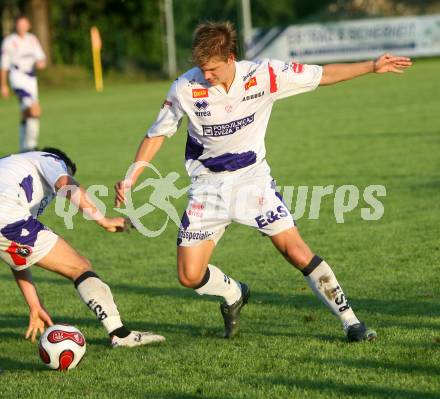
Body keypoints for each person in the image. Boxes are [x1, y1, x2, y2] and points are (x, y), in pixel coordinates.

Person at [115, 22, 412, 342]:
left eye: (213, 68)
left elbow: (322, 74)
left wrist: (371, 66)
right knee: (189, 276)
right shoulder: (185, 88)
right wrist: (132, 176)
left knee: (295, 250)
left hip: (252, 182)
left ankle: (351, 322)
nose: (207, 75)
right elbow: (157, 133)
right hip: (207, 187)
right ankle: (234, 293)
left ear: (231, 58)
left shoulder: (265, 75)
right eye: (201, 68)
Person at [0, 148, 165, 347]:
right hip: (6, 213)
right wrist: (104, 221)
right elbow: (65, 184)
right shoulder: (51, 159)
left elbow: (18, 252)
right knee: (80, 266)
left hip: (8, 217)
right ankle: (120, 335)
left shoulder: (12, 171)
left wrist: (34, 304)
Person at [1, 16, 45, 152]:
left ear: (28, 26)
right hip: (17, 77)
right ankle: (31, 145)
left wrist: (41, 62)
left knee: (27, 112)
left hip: (31, 79)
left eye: (24, 24)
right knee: (34, 109)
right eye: (19, 24)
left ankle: (23, 147)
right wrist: (3, 85)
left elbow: (41, 57)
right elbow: (3, 66)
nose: (21, 27)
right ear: (16, 26)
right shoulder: (9, 42)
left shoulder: (32, 39)